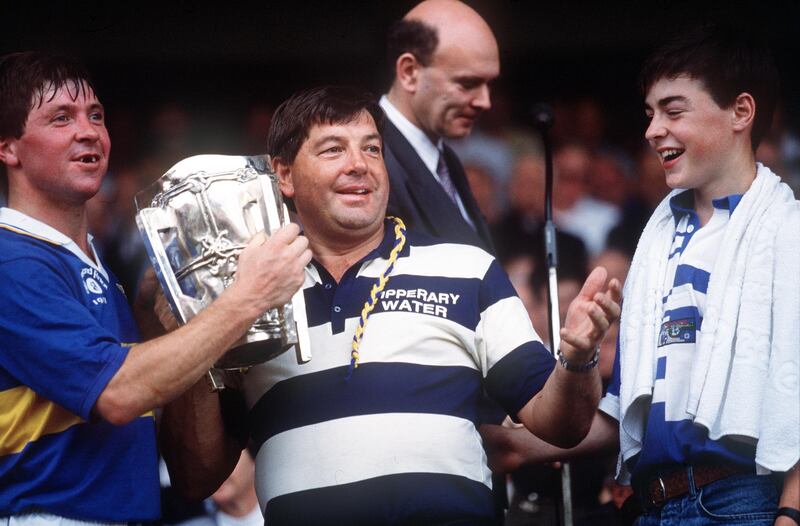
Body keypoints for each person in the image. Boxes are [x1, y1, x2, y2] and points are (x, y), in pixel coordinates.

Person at [159, 85, 621, 525]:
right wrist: (196, 327)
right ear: (283, 175)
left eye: (372, 148)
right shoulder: (250, 294)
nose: (359, 165)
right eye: (333, 149)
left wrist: (577, 360)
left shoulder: (466, 269)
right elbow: (196, 477)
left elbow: (561, 426)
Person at [483, 25, 800, 526]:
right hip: (650, 506)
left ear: (741, 112)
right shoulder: (657, 243)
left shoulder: (787, 231)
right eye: (651, 114)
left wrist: (791, 513)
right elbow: (628, 416)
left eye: (674, 111)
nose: (652, 129)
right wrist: (510, 443)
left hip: (744, 504)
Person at [0, 51, 311, 523]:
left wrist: (169, 321)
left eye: (96, 115)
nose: (88, 131)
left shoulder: (88, 262)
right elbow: (118, 394)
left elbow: (191, 472)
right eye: (60, 118)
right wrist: (246, 297)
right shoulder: (11, 258)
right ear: (8, 148)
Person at [381, 0, 497, 252]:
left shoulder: (445, 160)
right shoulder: (369, 160)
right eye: (468, 83)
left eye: (490, 84)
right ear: (409, 72)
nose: (484, 102)